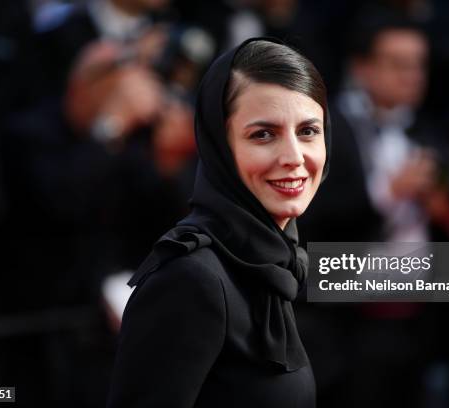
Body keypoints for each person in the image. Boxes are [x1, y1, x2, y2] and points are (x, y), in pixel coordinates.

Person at [107, 37, 330, 407]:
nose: (294, 156)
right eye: (263, 134)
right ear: (220, 148)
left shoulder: (275, 262)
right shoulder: (191, 280)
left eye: (308, 131)